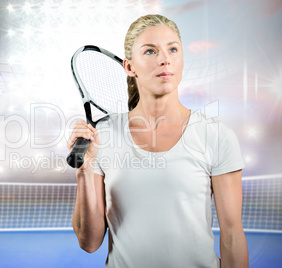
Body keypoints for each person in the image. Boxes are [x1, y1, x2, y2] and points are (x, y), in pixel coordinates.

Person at [67, 14, 249, 268]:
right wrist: (85, 169)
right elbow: (89, 242)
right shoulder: (103, 136)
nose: (165, 59)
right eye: (151, 51)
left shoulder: (216, 136)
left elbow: (232, 238)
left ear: (182, 58)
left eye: (173, 49)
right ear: (129, 67)